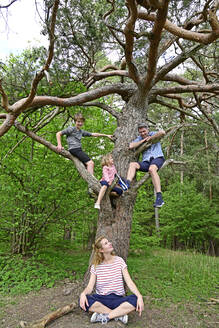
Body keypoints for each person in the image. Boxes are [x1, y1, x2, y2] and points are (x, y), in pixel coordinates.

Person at [79, 236, 144, 324]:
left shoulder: (119, 261)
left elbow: (129, 282)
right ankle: (119, 315)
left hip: (118, 300)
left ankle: (106, 316)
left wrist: (139, 296)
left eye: (108, 242)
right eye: (106, 243)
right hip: (101, 299)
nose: (110, 243)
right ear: (101, 250)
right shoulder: (95, 266)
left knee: (135, 299)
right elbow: (90, 286)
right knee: (84, 299)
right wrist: (83, 294)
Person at [126, 123, 165, 208]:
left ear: (148, 130)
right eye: (141, 132)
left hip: (157, 158)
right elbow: (131, 145)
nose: (143, 133)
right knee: (133, 164)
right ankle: (127, 183)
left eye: (144, 131)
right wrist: (143, 141)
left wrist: (150, 139)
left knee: (152, 169)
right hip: (146, 162)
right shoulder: (139, 138)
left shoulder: (152, 133)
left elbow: (162, 133)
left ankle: (159, 196)